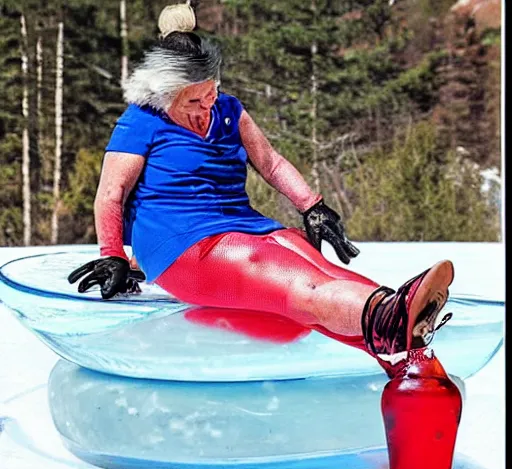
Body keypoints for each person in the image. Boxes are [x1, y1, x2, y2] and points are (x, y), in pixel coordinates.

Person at [68, 2, 454, 378]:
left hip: (243, 223)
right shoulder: (141, 121)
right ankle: (385, 319)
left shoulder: (230, 110)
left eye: (212, 92)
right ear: (163, 93)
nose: (207, 106)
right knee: (281, 275)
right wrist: (114, 256)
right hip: (179, 241)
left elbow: (269, 163)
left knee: (311, 262)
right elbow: (111, 194)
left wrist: (313, 206)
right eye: (193, 100)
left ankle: (401, 339)